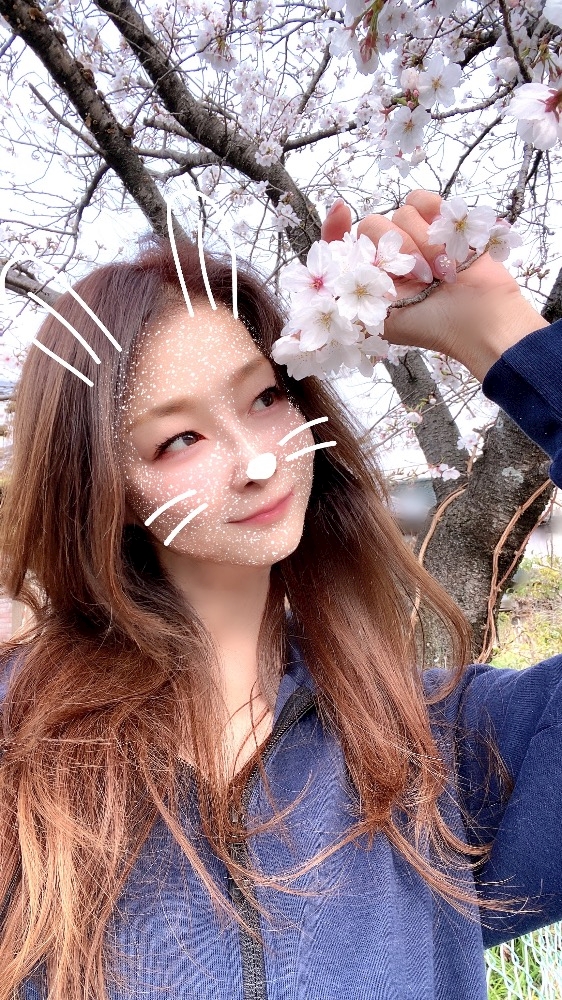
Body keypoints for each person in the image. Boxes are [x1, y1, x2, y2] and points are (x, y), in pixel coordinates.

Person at [0, 188, 561, 1000]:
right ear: (103, 490)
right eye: (179, 438)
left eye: (265, 398)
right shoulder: (21, 751)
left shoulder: (441, 754)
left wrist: (503, 333)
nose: (256, 460)